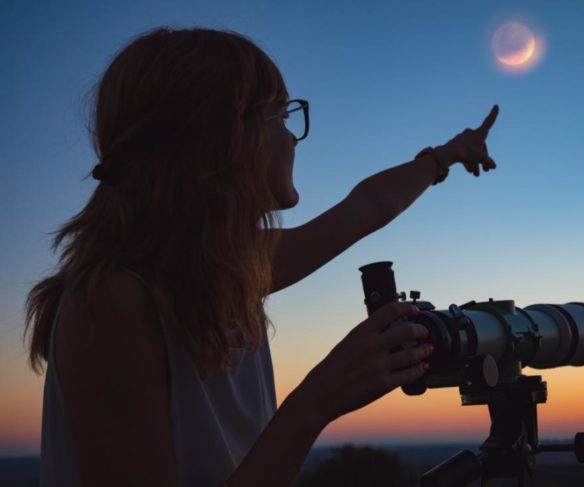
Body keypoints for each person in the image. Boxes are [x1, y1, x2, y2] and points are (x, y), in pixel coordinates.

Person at [24, 27, 499, 487]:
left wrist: (444, 157)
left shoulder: (223, 269)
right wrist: (316, 401)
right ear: (216, 139)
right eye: (278, 115)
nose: (293, 137)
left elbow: (368, 207)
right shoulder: (112, 304)